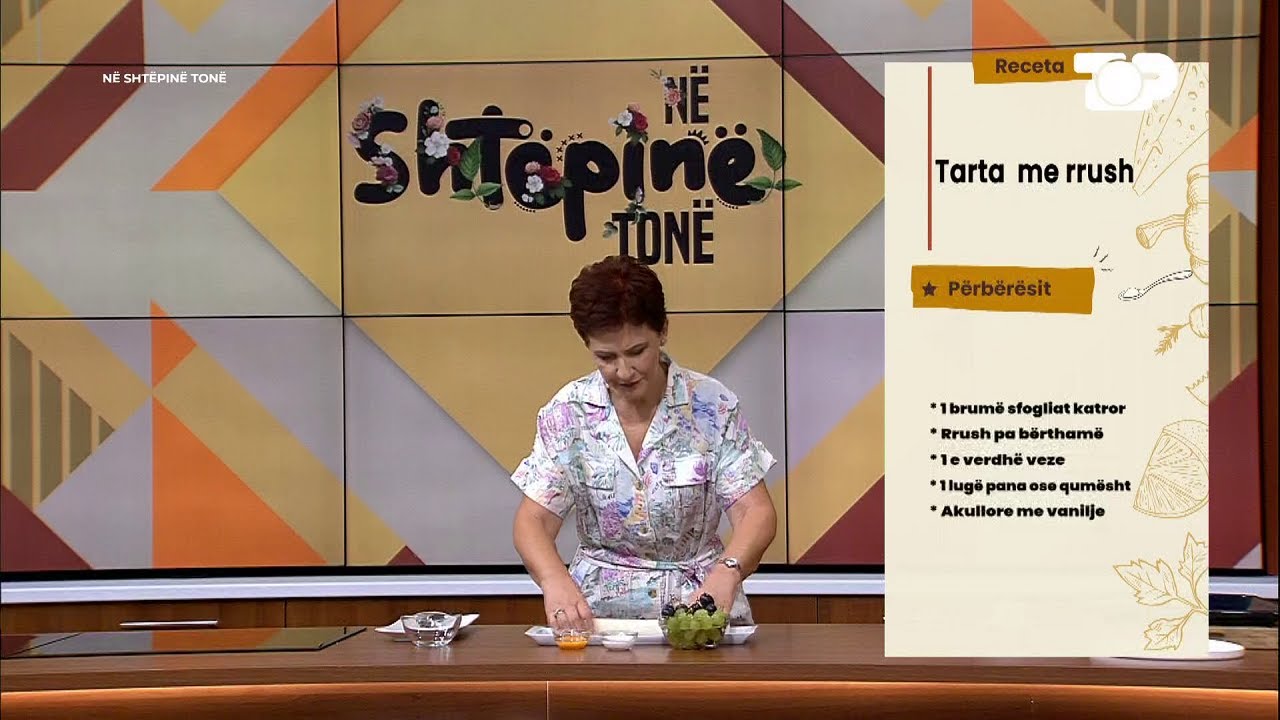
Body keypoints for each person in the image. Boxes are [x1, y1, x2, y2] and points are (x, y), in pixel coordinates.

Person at [510, 255, 778, 633]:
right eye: (606, 357)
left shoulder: (712, 405)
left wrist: (727, 573)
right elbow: (533, 520)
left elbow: (756, 512)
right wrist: (554, 579)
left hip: (700, 611)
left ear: (663, 331)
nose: (623, 371)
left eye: (637, 351)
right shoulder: (568, 413)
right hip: (597, 620)